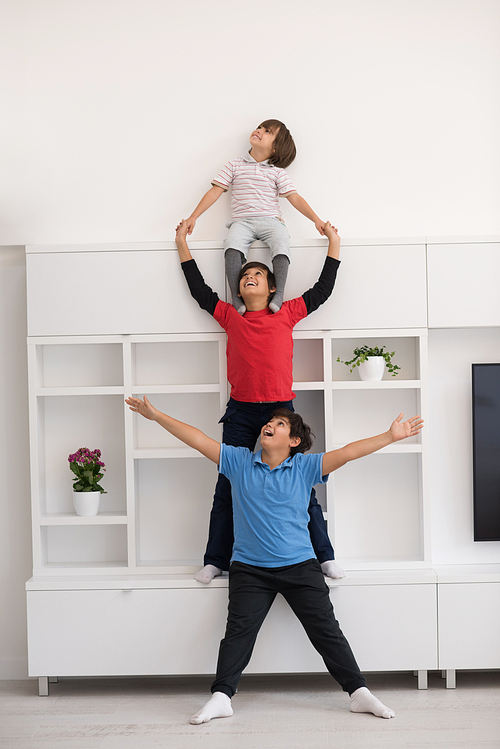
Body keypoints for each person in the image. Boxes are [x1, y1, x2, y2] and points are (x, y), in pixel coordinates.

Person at [125, 395, 424, 723]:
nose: (269, 425)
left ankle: (359, 693)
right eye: (270, 423)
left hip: (300, 566)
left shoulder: (304, 467)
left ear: (293, 441)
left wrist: (390, 436)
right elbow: (197, 438)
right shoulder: (239, 462)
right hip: (250, 569)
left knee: (326, 630)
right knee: (238, 632)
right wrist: (155, 415)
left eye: (280, 424)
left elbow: (349, 452)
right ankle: (222, 696)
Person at [175, 219, 345, 584]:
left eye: (257, 274)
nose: (248, 276)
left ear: (272, 287)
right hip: (240, 410)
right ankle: (215, 559)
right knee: (227, 485)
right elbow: (199, 290)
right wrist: (181, 245)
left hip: (281, 410)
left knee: (301, 485)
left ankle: (324, 555)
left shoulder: (288, 312)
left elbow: (323, 290)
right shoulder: (229, 315)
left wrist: (333, 243)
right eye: (244, 274)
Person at [183, 119, 327, 314]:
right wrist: (194, 217)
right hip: (242, 222)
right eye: (260, 127)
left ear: (275, 148)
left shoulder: (277, 173)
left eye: (267, 131)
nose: (259, 130)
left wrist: (316, 220)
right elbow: (215, 192)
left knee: (282, 241)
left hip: (271, 220)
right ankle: (236, 295)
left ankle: (278, 293)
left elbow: (295, 198)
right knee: (231, 246)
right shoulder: (235, 165)